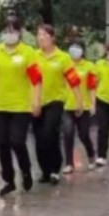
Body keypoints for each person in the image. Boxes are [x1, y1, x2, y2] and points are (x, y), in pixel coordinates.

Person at [0, 14, 42, 196]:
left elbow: (36, 79)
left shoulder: (28, 52)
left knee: (17, 141)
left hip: (21, 106)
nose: (9, 34)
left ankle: (26, 170)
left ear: (19, 32)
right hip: (0, 105)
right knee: (2, 143)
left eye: (13, 30)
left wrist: (36, 101)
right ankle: (9, 180)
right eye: (6, 30)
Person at [32, 24, 71, 185]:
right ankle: (45, 171)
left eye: (44, 35)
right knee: (39, 138)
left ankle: (55, 168)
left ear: (52, 37)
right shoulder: (33, 56)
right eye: (39, 35)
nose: (41, 38)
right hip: (36, 102)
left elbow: (72, 79)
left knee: (49, 134)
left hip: (55, 101)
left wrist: (77, 101)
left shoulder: (63, 57)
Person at [62, 41, 96, 173]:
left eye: (78, 47)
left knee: (83, 134)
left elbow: (92, 87)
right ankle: (69, 163)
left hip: (84, 106)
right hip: (67, 105)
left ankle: (91, 154)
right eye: (72, 47)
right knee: (68, 133)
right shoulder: (65, 64)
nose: (75, 50)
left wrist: (93, 104)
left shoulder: (89, 66)